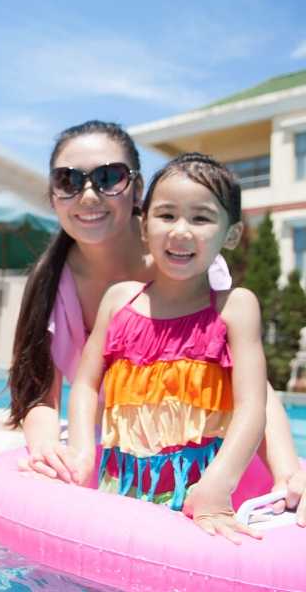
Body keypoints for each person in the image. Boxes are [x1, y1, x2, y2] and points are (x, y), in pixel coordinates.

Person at [9, 120, 306, 527]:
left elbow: (250, 388)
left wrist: (288, 470)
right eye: (68, 179)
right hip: (122, 453)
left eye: (108, 176)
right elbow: (43, 393)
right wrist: (58, 454)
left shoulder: (201, 273)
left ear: (135, 187)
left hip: (197, 450)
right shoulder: (54, 281)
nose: (89, 193)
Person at [64, 153, 265, 543]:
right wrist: (80, 450)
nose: (181, 231)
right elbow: (87, 385)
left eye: (202, 218)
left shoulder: (234, 308)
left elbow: (253, 405)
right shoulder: (118, 301)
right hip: (120, 489)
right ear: (143, 227)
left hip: (200, 499)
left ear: (231, 235)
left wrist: (218, 484)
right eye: (167, 215)